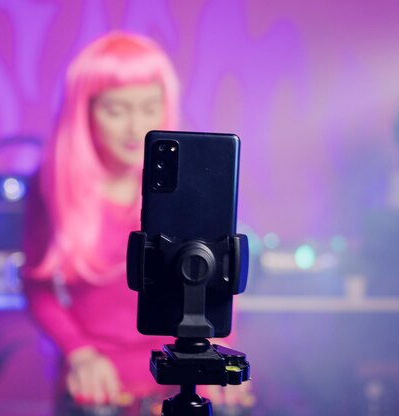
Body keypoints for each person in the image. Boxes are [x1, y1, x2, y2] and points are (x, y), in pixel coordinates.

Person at [21, 31, 252, 415]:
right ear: (84, 112)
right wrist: (79, 354)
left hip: (177, 374)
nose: (135, 126)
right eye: (116, 111)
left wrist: (218, 353)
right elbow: (38, 287)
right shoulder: (53, 185)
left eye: (149, 107)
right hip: (98, 386)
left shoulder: (189, 188)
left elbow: (216, 280)